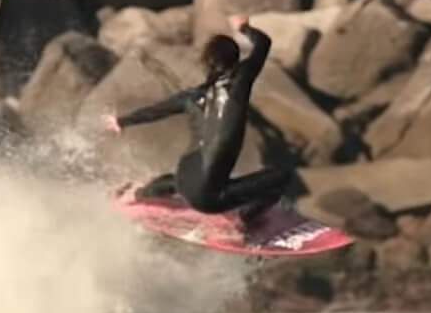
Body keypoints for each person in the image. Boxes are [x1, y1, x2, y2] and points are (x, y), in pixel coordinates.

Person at [103, 13, 291, 230]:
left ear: (207, 63)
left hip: (183, 179)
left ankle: (138, 193)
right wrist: (244, 27)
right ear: (235, 61)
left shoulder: (192, 96)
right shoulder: (241, 80)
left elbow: (158, 110)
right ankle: (243, 222)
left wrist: (122, 121)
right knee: (282, 176)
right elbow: (264, 43)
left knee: (187, 178)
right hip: (209, 198)